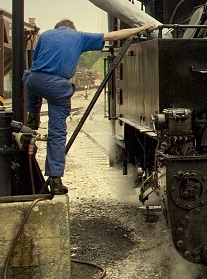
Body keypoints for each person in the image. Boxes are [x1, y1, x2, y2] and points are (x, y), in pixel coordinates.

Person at [24, 19, 154, 196]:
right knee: (57, 133)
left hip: (35, 82)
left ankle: (33, 116)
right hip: (58, 87)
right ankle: (55, 179)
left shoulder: (45, 35)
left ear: (58, 28)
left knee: (29, 75)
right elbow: (114, 35)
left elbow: (35, 62)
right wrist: (142, 28)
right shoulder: (79, 36)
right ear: (72, 28)